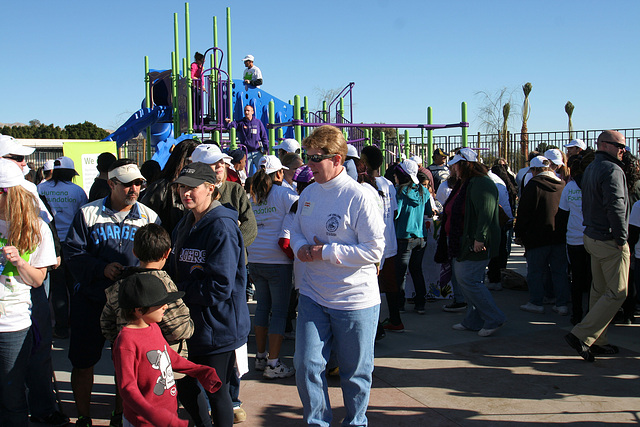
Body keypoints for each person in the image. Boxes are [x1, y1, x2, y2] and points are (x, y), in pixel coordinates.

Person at [290, 125, 384, 426]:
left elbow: (373, 251)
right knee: (306, 365)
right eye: (307, 157)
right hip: (313, 295)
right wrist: (301, 246)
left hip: (355, 301)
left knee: (355, 373)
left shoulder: (360, 196)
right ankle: (317, 422)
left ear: (339, 159)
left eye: (318, 158)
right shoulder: (308, 193)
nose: (310, 164)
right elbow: (295, 231)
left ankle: (356, 421)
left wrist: (326, 252)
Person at [63, 160, 159, 427]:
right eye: (127, 183)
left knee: (127, 366)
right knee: (83, 362)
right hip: (91, 301)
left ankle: (121, 414)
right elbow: (72, 253)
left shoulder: (149, 217)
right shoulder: (87, 213)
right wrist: (100, 268)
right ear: (111, 184)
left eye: (138, 183)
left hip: (130, 305)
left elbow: (158, 256)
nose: (134, 189)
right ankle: (83, 417)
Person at [169, 162, 251, 427]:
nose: (186, 193)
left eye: (192, 187)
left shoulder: (222, 227)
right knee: (185, 386)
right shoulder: (186, 222)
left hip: (218, 326)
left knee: (217, 393)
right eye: (182, 187)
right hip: (191, 325)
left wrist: (177, 293)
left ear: (211, 188)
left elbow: (220, 286)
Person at [113, 273, 222, 426]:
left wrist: (199, 370)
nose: (165, 306)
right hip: (144, 422)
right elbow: (127, 388)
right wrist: (154, 415)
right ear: (139, 310)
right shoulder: (126, 342)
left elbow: (169, 356)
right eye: (159, 304)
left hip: (168, 414)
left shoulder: (154, 327)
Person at [0, 159, 57, 426]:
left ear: (7, 193)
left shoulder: (37, 228)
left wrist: (20, 262)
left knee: (11, 397)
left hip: (12, 324)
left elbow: (38, 280)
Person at [565, 130, 630, 362]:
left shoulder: (592, 168)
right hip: (608, 239)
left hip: (592, 236)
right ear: (604, 145)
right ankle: (582, 334)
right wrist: (622, 239)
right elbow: (616, 206)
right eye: (620, 145)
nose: (624, 150)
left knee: (599, 291)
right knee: (617, 292)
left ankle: (596, 341)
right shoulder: (612, 170)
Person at [435, 148, 505, 337]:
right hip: (464, 240)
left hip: (473, 242)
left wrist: (479, 238)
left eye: (456, 164)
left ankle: (493, 318)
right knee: (466, 281)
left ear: (464, 165)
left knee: (469, 280)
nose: (453, 168)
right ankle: (473, 320)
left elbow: (486, 212)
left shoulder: (481, 183)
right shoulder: (467, 183)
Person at [248, 155, 298, 378]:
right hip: (278, 260)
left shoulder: (253, 195)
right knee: (278, 312)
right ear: (279, 173)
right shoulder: (283, 192)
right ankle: (274, 363)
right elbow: (302, 209)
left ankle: (260, 357)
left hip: (256, 258)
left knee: (261, 308)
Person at [37, 156, 88, 339]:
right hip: (72, 243)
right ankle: (77, 323)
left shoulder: (41, 188)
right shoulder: (77, 191)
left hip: (49, 242)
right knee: (74, 286)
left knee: (57, 288)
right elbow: (83, 215)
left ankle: (60, 327)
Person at [514, 156, 569, 315]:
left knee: (535, 271)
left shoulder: (533, 185)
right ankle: (561, 303)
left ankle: (536, 302)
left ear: (535, 170)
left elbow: (524, 212)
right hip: (558, 235)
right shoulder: (562, 185)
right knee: (559, 271)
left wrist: (520, 233)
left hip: (537, 237)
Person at [384, 160, 430, 332]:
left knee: (399, 275)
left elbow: (395, 214)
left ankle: (400, 305)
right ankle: (420, 303)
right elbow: (428, 212)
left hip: (403, 238)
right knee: (417, 271)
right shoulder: (423, 191)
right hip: (421, 238)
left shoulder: (400, 192)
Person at [558, 152, 595, 325]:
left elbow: (562, 215)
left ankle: (577, 314)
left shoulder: (570, 188)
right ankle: (592, 313)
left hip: (574, 239)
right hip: (594, 238)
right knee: (594, 280)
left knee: (577, 279)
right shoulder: (596, 185)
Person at [140, 139, 200, 234]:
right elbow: (146, 223)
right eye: (196, 161)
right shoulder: (161, 188)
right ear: (183, 160)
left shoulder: (205, 188)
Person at [225, 105, 269, 176]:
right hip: (246, 152)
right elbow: (230, 126)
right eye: (245, 110)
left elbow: (264, 136)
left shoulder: (258, 123)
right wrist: (228, 122)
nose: (246, 112)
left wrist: (266, 148)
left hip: (257, 152)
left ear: (252, 112)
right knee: (247, 173)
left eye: (248, 110)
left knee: (262, 171)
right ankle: (248, 185)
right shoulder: (241, 123)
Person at [191, 52, 206, 121]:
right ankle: (195, 119)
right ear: (198, 60)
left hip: (199, 87)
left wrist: (202, 85)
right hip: (195, 87)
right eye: (202, 60)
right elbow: (192, 76)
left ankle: (198, 118)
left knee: (199, 105)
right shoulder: (194, 66)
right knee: (195, 104)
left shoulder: (201, 67)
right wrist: (198, 80)